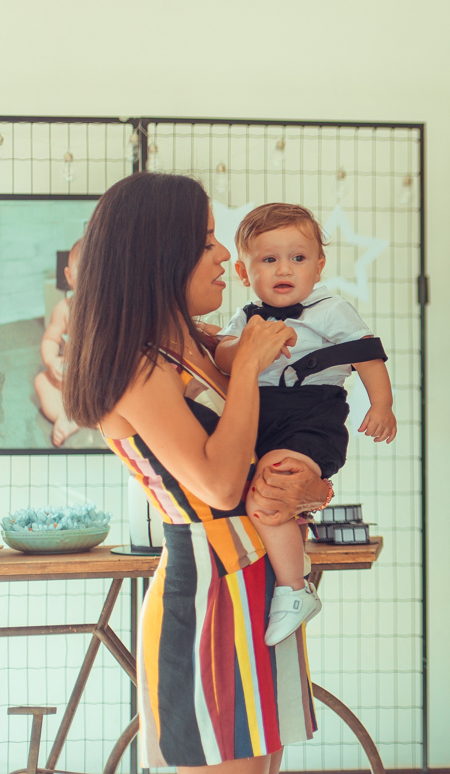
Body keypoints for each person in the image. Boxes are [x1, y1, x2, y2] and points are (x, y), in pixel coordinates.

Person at [63, 172, 331, 773]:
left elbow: (267, 464)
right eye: (205, 238)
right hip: (210, 595)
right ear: (158, 253)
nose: (221, 254)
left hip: (256, 581)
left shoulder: (198, 347)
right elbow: (217, 484)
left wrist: (310, 488)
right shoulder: (138, 366)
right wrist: (248, 370)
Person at [215, 203, 395, 646]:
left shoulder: (332, 310)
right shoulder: (247, 318)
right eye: (268, 259)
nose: (284, 269)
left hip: (312, 418)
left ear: (319, 266)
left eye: (298, 258)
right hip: (260, 417)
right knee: (265, 497)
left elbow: (368, 356)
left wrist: (382, 405)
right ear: (243, 271)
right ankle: (289, 568)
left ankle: (295, 590)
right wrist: (247, 347)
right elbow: (222, 356)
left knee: (274, 485)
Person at [33, 239, 82, 446]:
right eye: (84, 272)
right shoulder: (63, 309)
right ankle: (64, 415)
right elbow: (51, 339)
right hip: (67, 377)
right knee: (42, 381)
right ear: (69, 276)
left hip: (96, 380)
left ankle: (86, 414)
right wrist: (52, 361)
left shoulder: (109, 312)